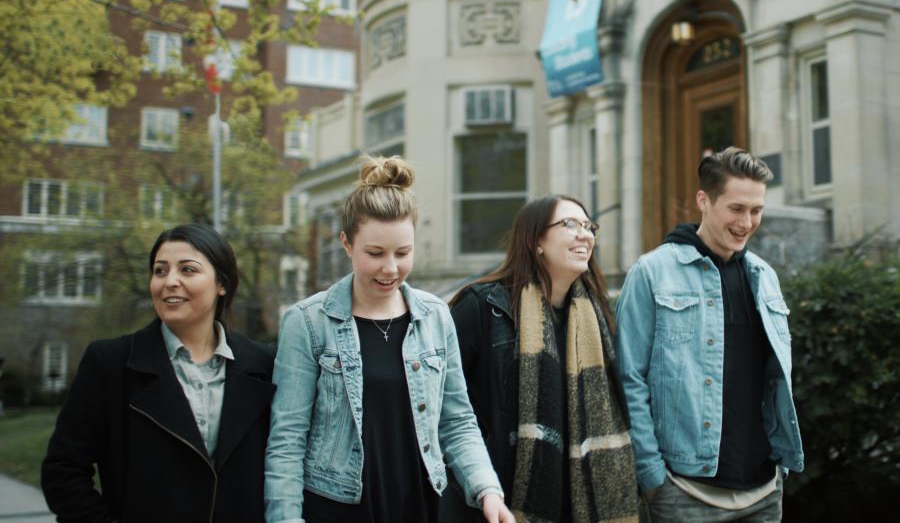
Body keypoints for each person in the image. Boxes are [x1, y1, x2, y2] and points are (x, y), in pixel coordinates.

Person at [264, 155, 513, 523]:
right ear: (347, 244)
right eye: (375, 253)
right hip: (335, 509)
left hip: (420, 504)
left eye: (403, 252)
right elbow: (287, 440)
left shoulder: (435, 317)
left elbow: (457, 421)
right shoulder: (307, 322)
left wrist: (488, 490)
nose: (391, 268)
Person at [614, 147, 804, 522]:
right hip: (684, 491)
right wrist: (652, 477)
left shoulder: (764, 277)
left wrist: (780, 470)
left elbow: (773, 380)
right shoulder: (651, 273)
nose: (747, 222)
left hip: (764, 492)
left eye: (756, 210)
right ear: (704, 200)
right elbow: (627, 378)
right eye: (736, 209)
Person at [42, 224, 276, 523]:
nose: (170, 282)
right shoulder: (110, 363)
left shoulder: (263, 364)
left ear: (223, 284)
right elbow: (63, 472)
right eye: (160, 271)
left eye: (188, 270)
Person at [440, 195, 639, 523]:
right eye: (570, 224)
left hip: (578, 505)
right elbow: (444, 410)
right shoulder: (482, 308)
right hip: (494, 503)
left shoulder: (597, 316)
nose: (585, 235)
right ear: (536, 241)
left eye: (589, 227)